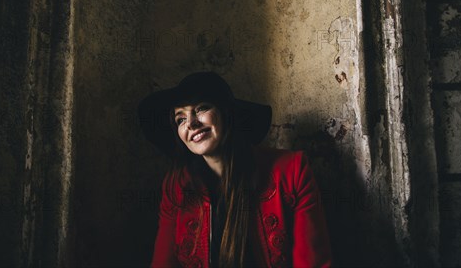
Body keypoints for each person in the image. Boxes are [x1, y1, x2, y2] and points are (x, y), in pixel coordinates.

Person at [138, 72, 332, 268]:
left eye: (201, 108)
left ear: (226, 113)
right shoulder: (176, 187)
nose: (191, 123)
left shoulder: (291, 172)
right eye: (180, 119)